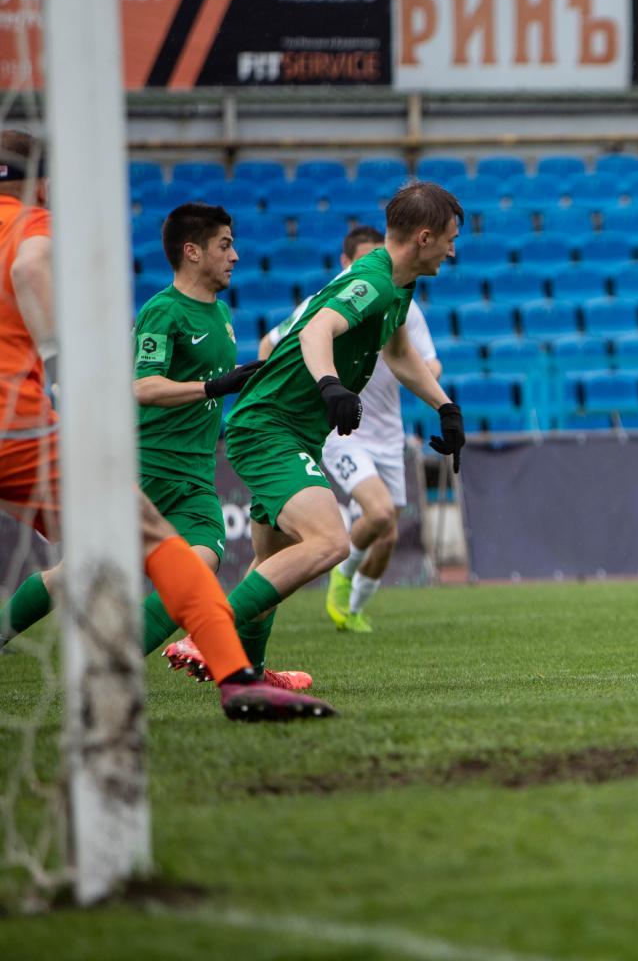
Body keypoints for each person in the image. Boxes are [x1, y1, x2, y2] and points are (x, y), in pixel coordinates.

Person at [0, 135, 329, 720]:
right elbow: (140, 387)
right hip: (150, 462)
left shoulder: (223, 316)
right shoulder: (162, 311)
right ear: (191, 252)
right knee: (87, 572)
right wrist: (213, 388)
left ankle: (146, 667)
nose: (234, 255)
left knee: (198, 560)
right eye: (224, 245)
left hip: (196, 472)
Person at [163, 182, 465, 684]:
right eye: (451, 239)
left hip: (292, 430)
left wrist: (445, 406)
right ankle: (207, 633)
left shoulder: (400, 285)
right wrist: (330, 384)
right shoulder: (375, 279)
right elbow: (316, 328)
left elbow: (398, 355)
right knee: (329, 542)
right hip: (269, 427)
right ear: (425, 237)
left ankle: (251, 673)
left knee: (273, 563)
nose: (454, 250)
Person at [259, 224, 441, 634]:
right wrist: (319, 384)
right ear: (346, 263)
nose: (373, 268)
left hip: (389, 433)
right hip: (345, 429)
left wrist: (438, 398)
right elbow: (273, 342)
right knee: (375, 513)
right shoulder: (327, 302)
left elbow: (423, 360)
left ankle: (352, 611)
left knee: (388, 534)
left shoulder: (402, 302)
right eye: (363, 260)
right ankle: (337, 581)